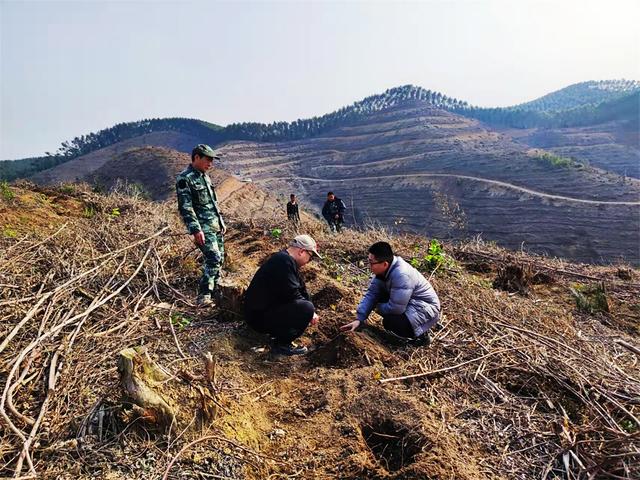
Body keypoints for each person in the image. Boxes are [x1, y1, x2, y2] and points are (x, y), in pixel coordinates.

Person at [341, 241, 440, 345]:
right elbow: (372, 294)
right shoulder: (384, 271)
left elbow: (396, 309)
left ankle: (420, 337)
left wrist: (377, 307)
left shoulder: (402, 275)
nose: (369, 266)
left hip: (425, 308)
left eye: (371, 263)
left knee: (391, 322)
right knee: (378, 298)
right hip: (410, 302)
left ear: (384, 264)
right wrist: (359, 319)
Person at [244, 235, 321, 356]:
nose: (309, 261)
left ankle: (279, 336)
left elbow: (301, 289)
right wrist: (310, 311)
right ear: (301, 251)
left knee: (307, 306)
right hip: (258, 317)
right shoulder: (283, 261)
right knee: (306, 308)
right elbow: (292, 293)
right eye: (310, 257)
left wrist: (312, 310)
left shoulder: (287, 261)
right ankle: (282, 344)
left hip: (262, 311)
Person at [176, 144, 226, 306]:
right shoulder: (185, 178)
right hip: (203, 228)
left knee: (220, 259)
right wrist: (196, 230)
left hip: (215, 226)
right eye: (208, 159)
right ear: (196, 157)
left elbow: (213, 203)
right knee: (213, 258)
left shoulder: (205, 176)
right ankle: (204, 295)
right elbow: (186, 207)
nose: (210, 163)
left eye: (212, 160)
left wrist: (221, 222)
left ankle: (216, 292)